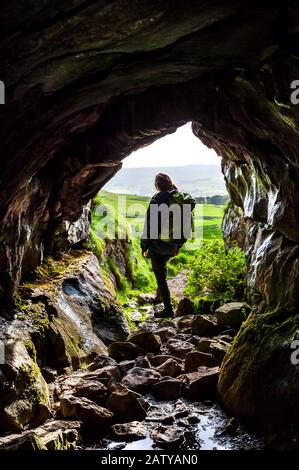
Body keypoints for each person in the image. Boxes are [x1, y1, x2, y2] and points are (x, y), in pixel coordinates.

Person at [141, 173, 196, 318]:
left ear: (157, 185)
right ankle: (160, 296)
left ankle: (168, 308)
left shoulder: (158, 199)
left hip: (159, 243)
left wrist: (144, 245)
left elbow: (150, 225)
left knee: (159, 275)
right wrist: (178, 246)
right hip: (174, 243)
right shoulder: (180, 199)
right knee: (162, 268)